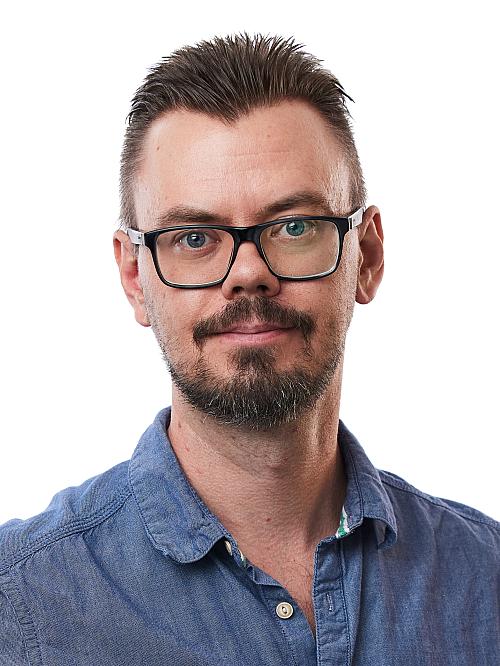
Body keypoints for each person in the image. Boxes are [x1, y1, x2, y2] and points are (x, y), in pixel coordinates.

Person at [0, 33, 498, 666]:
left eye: (294, 227)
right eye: (194, 237)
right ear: (134, 277)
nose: (248, 274)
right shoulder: (18, 605)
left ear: (367, 256)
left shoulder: (486, 579)